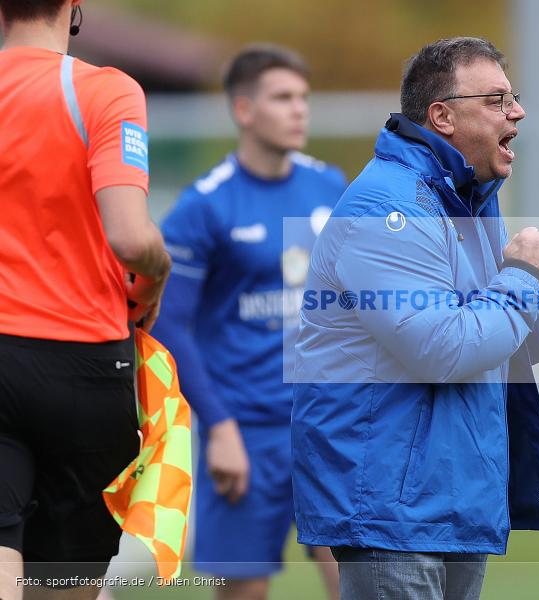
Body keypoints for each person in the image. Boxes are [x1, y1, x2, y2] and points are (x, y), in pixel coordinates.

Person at [291, 36, 539, 600]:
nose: (517, 113)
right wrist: (522, 278)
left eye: (513, 98)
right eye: (495, 100)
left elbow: (498, 343)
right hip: (392, 507)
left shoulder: (463, 199)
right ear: (441, 116)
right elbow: (445, 349)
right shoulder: (387, 208)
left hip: (451, 499)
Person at [152, 45, 344, 600]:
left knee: (363, 585)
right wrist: (220, 428)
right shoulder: (204, 206)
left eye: (303, 98)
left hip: (327, 427)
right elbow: (170, 326)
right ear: (244, 110)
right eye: (283, 98)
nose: (299, 110)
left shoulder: (330, 186)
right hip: (246, 435)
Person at [0, 1, 171, 599]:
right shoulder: (105, 91)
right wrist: (158, 272)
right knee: (64, 581)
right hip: (84, 362)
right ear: (75, 6)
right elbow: (130, 238)